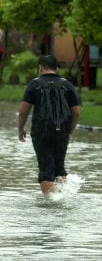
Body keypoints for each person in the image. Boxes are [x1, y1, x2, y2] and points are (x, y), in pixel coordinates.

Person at [18, 55, 81, 194]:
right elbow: (76, 112)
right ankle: (62, 198)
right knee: (59, 168)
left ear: (40, 67)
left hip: (41, 130)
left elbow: (23, 110)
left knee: (46, 169)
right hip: (62, 129)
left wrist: (20, 128)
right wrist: (69, 130)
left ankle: (50, 206)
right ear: (57, 68)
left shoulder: (34, 84)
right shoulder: (67, 85)